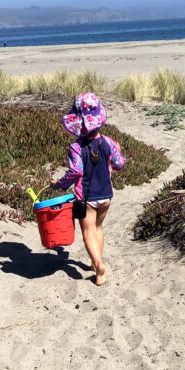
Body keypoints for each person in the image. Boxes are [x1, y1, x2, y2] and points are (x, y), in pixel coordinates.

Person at [51, 92, 125, 286]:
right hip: (106, 195)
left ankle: (99, 266)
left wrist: (60, 184)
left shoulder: (76, 147)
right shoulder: (108, 142)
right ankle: (95, 264)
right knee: (98, 228)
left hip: (87, 198)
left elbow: (76, 171)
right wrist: (118, 150)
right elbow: (119, 164)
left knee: (87, 232)